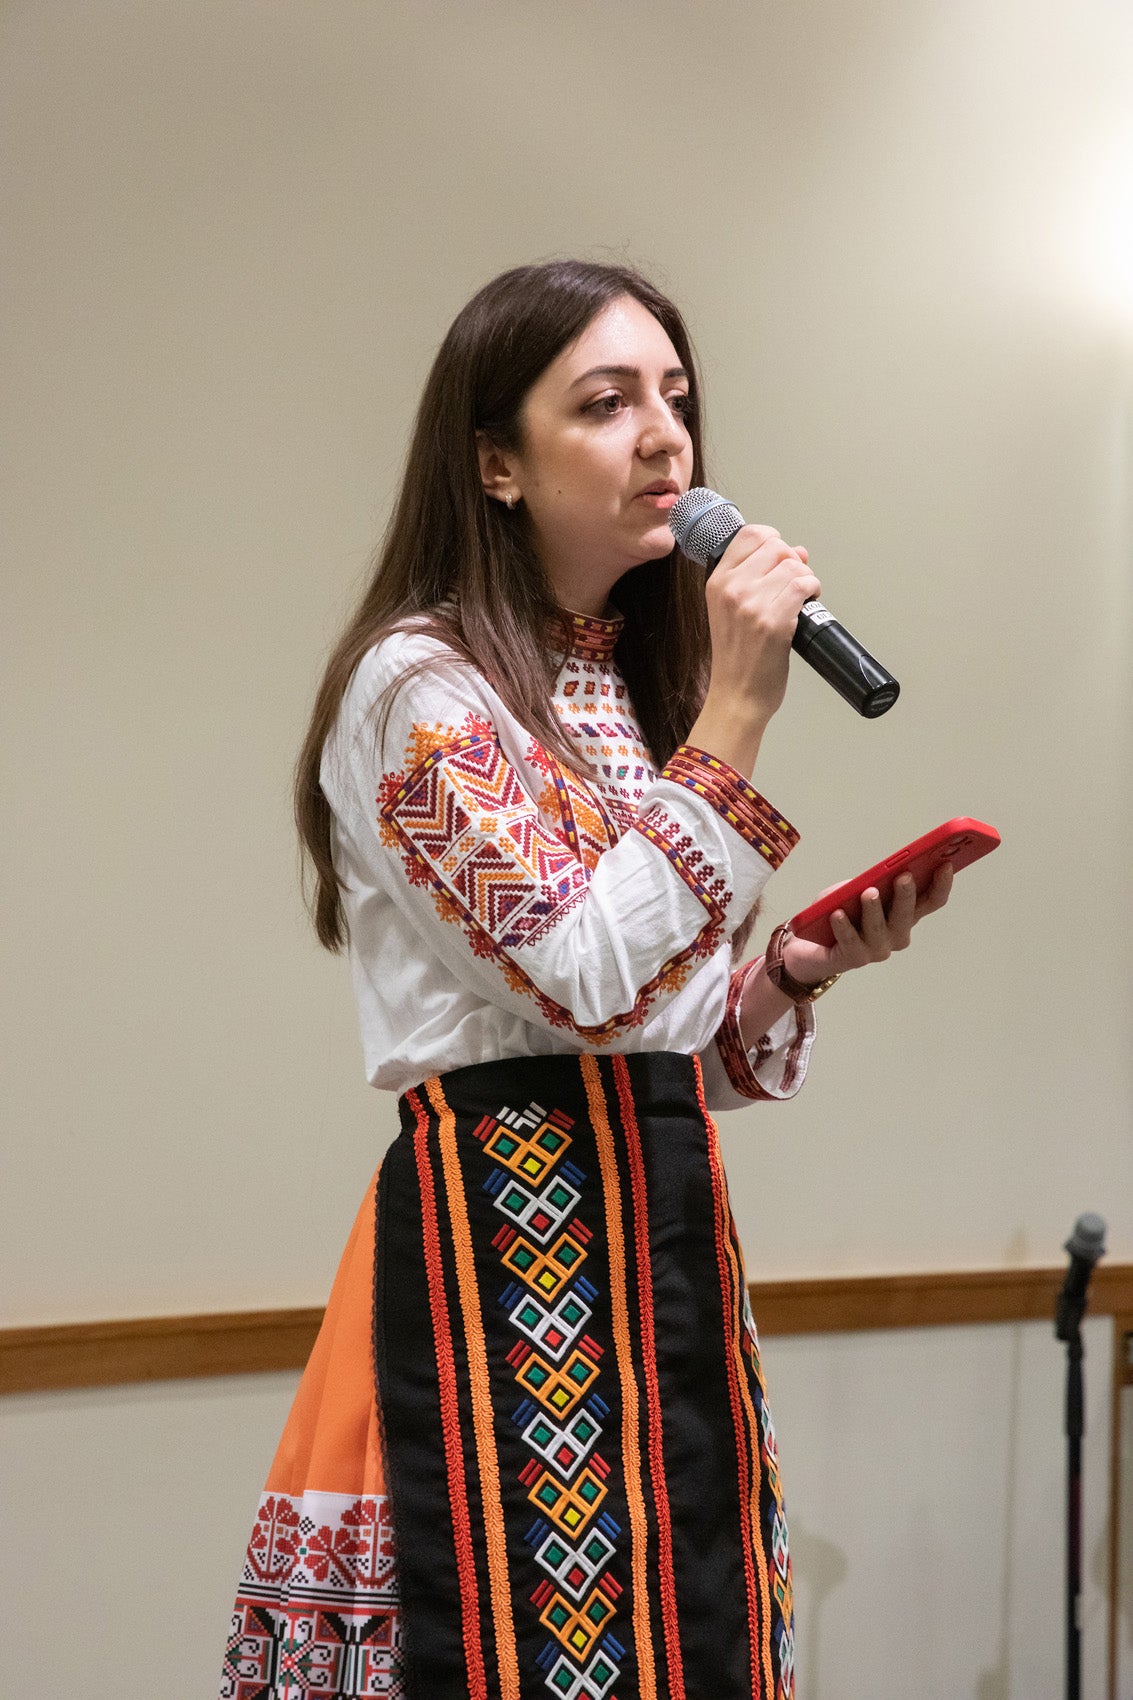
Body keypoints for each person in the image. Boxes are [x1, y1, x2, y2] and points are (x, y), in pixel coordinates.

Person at [218, 260, 952, 1700]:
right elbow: (576, 979)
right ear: (494, 461)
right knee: (505, 1640)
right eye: (605, 403)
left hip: (661, 1228)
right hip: (506, 1236)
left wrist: (788, 974)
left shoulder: (631, 691)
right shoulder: (416, 689)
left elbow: (668, 1043)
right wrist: (738, 712)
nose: (665, 437)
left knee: (692, 1636)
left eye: (675, 397)